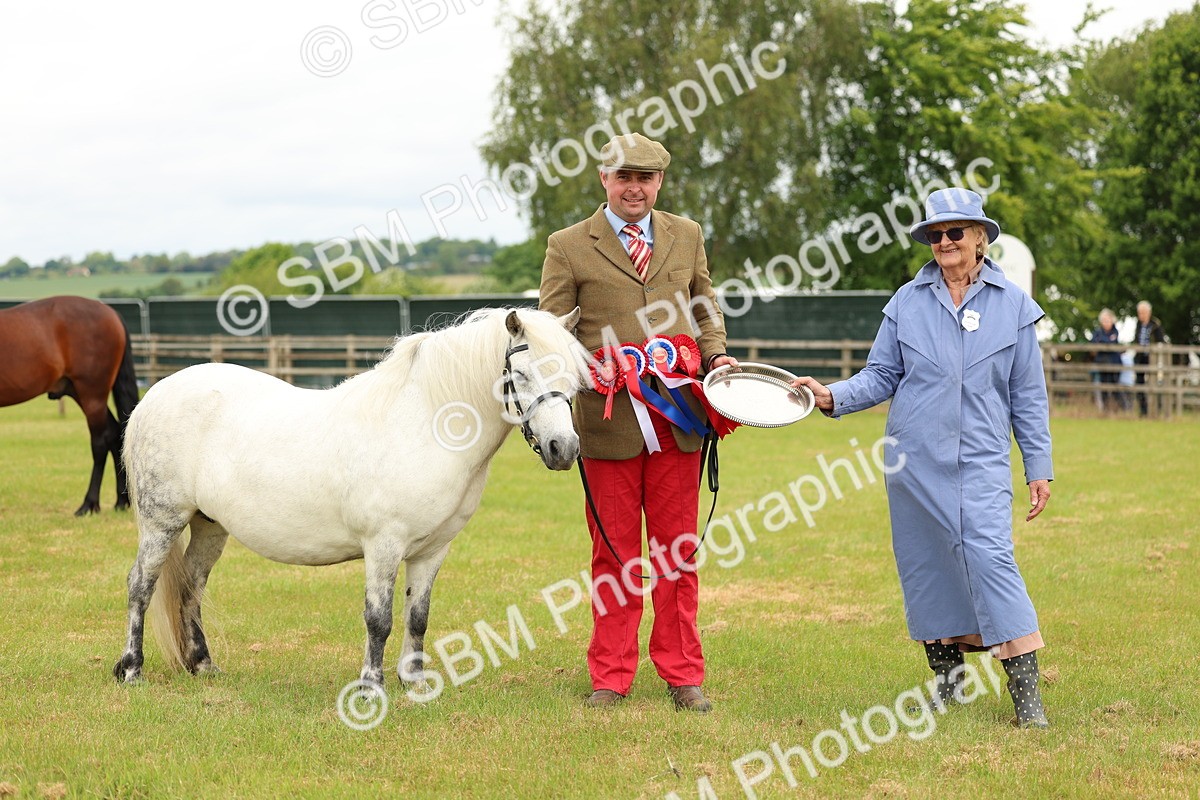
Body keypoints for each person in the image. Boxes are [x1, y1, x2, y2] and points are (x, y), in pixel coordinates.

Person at [792, 188, 1053, 729]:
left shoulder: (1014, 307)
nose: (944, 243)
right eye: (934, 235)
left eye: (954, 233)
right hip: (912, 463)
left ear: (980, 237)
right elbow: (882, 375)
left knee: (990, 559)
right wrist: (832, 396)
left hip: (982, 460)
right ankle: (948, 685)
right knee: (928, 570)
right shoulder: (906, 302)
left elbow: (1028, 395)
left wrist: (1038, 466)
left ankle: (1027, 695)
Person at [539, 132, 738, 713]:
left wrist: (717, 354)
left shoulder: (688, 235)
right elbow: (550, 335)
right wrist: (591, 367)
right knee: (614, 556)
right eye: (624, 177)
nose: (635, 187)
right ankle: (611, 676)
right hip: (608, 427)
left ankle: (682, 674)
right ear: (604, 179)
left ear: (659, 183)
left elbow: (704, 306)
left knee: (677, 552)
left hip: (679, 424)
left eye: (645, 178)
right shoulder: (568, 246)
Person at [1132, 300, 1167, 417]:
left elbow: (1160, 342)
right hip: (1140, 357)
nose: (1141, 315)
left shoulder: (1156, 325)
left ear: (1149, 312)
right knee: (1139, 383)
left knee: (1155, 383)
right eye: (1140, 313)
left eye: (1143, 312)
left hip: (1152, 358)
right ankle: (1143, 410)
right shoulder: (1138, 324)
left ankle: (1156, 409)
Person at [1090, 308, 1122, 412]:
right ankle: (1105, 409)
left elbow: (1111, 342)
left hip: (1114, 364)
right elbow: (1093, 344)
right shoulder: (1097, 332)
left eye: (1108, 320)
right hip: (1102, 363)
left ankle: (1117, 408)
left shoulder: (1115, 332)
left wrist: (1102, 342)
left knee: (1115, 387)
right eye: (1104, 320)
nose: (1106, 323)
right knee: (1103, 387)